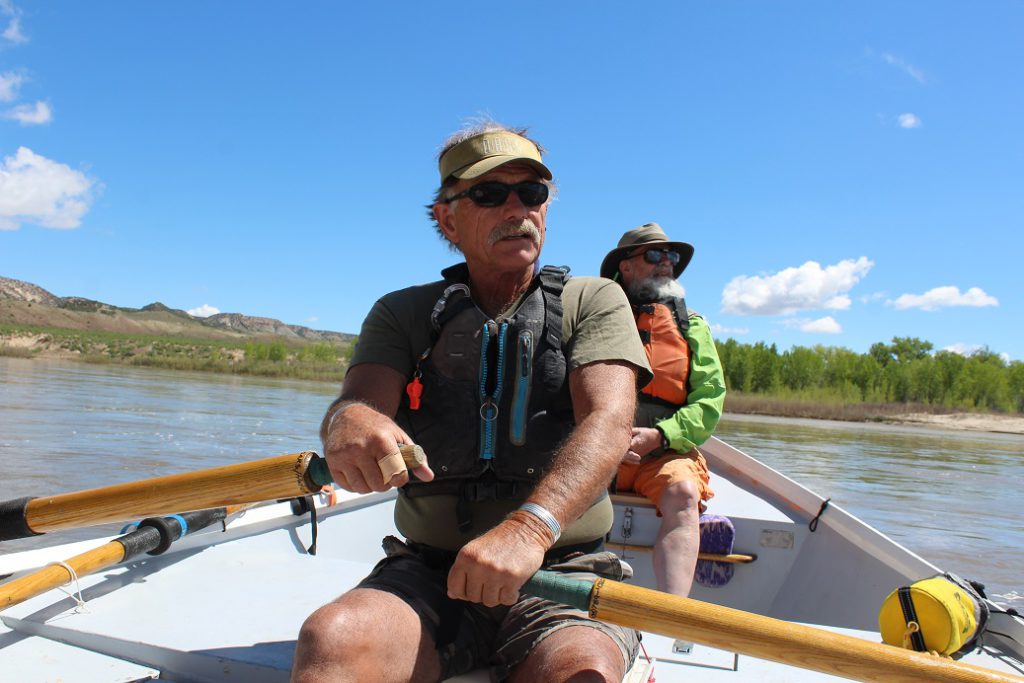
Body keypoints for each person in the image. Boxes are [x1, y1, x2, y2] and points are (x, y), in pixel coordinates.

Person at [292, 123, 652, 683]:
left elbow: (609, 421)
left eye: (532, 194)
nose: (518, 209)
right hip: (432, 573)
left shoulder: (595, 299)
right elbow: (358, 402)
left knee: (581, 673)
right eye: (489, 194)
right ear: (447, 219)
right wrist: (351, 423)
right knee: (331, 641)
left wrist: (529, 530)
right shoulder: (402, 312)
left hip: (563, 572)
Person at [599, 223, 726, 598]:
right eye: (654, 255)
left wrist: (661, 435)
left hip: (664, 451)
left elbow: (709, 399)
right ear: (626, 267)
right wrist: (604, 437)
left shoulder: (694, 326)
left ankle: (672, 613)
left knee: (684, 493)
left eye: (671, 257)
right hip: (599, 447)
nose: (666, 263)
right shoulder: (594, 316)